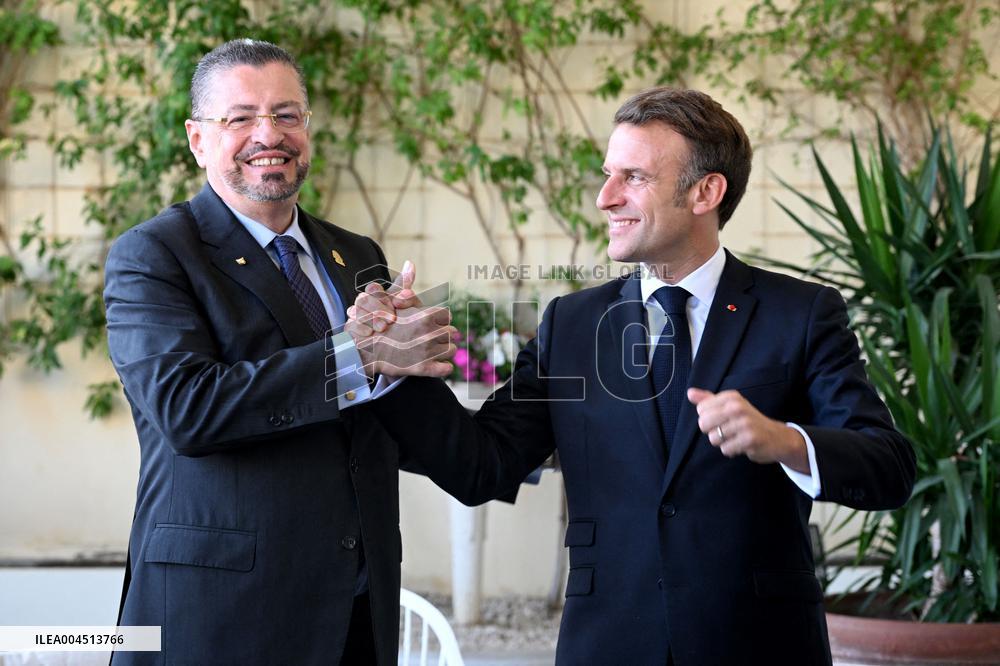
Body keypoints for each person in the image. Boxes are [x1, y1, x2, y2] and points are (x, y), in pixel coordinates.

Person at [349, 87, 916, 665]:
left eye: (634, 178)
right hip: (609, 645)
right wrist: (396, 367)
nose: (604, 198)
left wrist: (784, 441)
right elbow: (482, 464)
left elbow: (888, 467)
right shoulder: (570, 324)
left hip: (759, 643)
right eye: (607, 174)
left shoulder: (800, 314)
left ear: (706, 191)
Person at [103, 39, 454, 665]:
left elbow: (401, 423)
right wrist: (359, 356)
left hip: (352, 616)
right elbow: (188, 409)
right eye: (240, 118)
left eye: (287, 114)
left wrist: (568, 414)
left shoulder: (355, 253)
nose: (270, 133)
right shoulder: (154, 254)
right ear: (197, 139)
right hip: (218, 620)